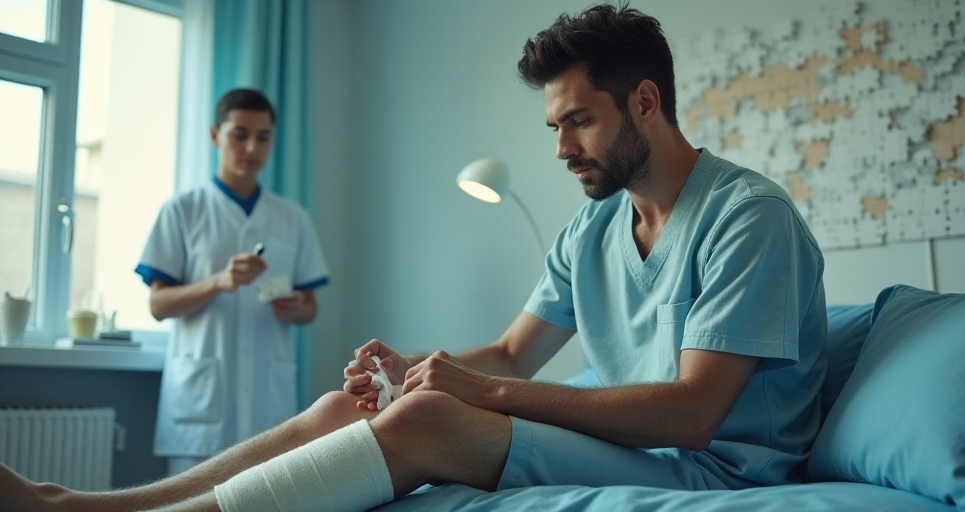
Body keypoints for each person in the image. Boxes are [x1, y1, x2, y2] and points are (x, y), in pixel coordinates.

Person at [0, 4, 825, 511]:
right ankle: (77, 505)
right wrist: (410, 367)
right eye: (553, 129)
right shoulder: (593, 230)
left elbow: (691, 413)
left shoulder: (746, 218)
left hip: (712, 472)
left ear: (645, 102)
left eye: (579, 122)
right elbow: (508, 350)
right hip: (639, 448)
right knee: (350, 405)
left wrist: (480, 393)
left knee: (428, 418)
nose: (562, 148)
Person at [133, 88, 331, 474]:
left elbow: (310, 307)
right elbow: (158, 306)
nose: (252, 147)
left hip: (267, 401)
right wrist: (218, 282)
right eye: (239, 134)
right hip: (201, 406)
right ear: (214, 136)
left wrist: (296, 307)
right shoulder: (182, 210)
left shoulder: (293, 218)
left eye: (263, 137)